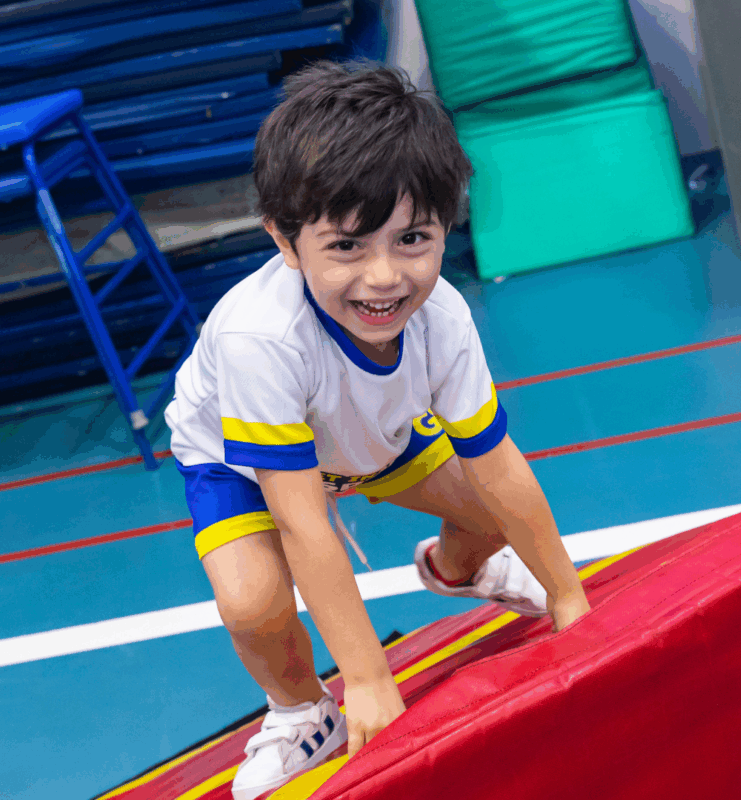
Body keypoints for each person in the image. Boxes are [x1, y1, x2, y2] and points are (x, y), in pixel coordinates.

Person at [164, 59, 590, 800]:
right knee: (251, 603)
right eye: (347, 247)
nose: (385, 277)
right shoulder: (260, 339)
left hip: (374, 435)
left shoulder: (443, 318)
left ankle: (460, 570)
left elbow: (499, 463)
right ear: (284, 241)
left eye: (413, 239)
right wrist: (364, 679)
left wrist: (568, 597)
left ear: (445, 228)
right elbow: (302, 524)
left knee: (494, 518)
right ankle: (301, 711)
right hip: (243, 462)